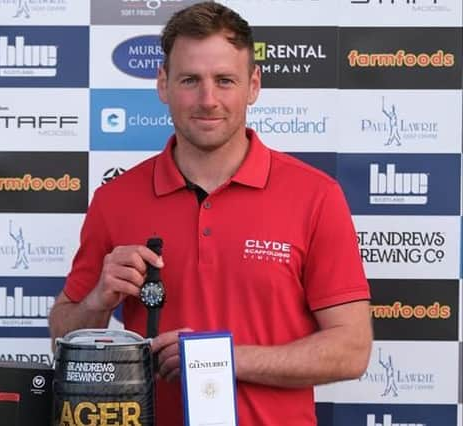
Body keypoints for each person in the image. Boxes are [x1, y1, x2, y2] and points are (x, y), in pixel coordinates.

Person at [49, 2, 372, 424]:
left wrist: (221, 360)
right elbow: (61, 335)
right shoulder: (115, 199)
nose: (208, 100)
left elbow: (352, 349)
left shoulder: (315, 195)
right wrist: (98, 300)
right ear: (162, 84)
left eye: (225, 81)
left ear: (253, 85)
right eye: (190, 80)